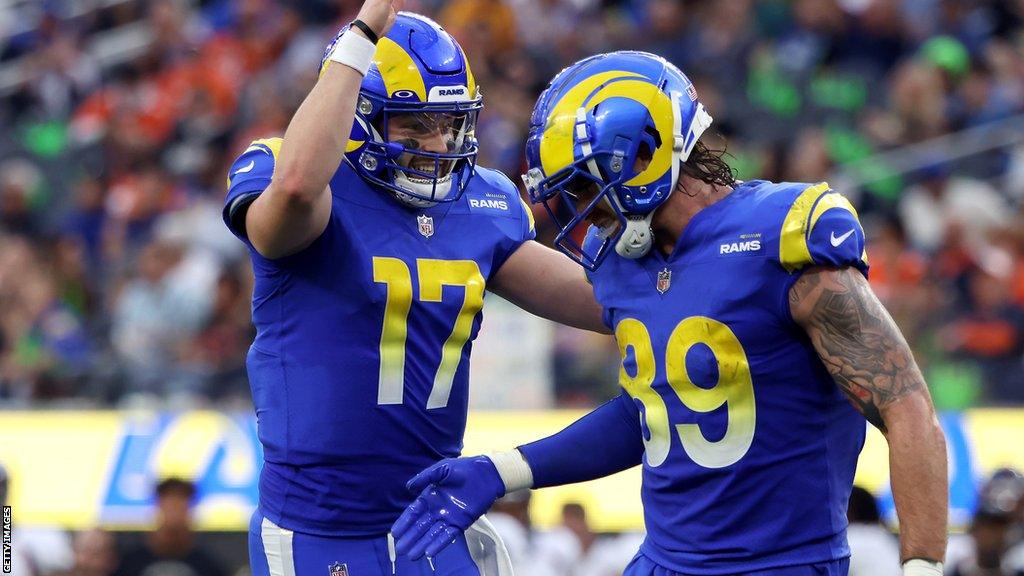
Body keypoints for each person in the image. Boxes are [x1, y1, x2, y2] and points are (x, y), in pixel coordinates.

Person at [392, 51, 949, 576]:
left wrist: (923, 565)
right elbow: (654, 409)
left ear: (642, 154)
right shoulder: (622, 265)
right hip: (661, 560)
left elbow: (905, 405)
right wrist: (503, 470)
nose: (584, 210)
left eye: (586, 183)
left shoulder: (779, 236)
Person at [222, 1, 605, 575]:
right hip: (319, 527)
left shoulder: (481, 201)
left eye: (449, 124)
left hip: (431, 518)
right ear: (358, 118)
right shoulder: (305, 182)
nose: (438, 145)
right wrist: (366, 27)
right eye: (416, 124)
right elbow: (298, 187)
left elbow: (602, 303)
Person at [114, 478, 227, 576]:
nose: (174, 510)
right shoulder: (131, 562)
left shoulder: (208, 564)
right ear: (158, 505)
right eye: (170, 503)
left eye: (180, 503)